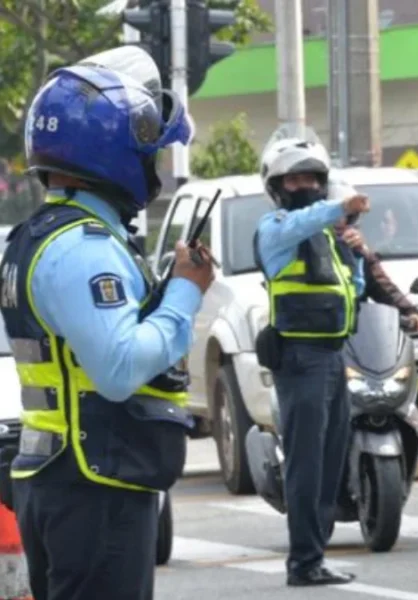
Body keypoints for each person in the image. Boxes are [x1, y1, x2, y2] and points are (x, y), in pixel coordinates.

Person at [0, 46, 212, 600]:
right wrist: (185, 294)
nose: (154, 169)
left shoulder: (41, 236)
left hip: (66, 479)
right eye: (148, 155)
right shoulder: (83, 248)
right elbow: (118, 368)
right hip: (95, 486)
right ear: (112, 153)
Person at [253, 137, 370, 587]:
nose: (306, 185)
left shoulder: (328, 236)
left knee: (329, 460)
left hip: (333, 355)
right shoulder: (277, 229)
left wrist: (355, 253)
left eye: (313, 179)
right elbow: (308, 218)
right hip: (300, 359)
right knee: (305, 463)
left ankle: (315, 554)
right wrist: (339, 208)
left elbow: (353, 290)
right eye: (295, 178)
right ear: (278, 186)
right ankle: (302, 561)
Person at [334, 221, 418, 332]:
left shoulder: (360, 254)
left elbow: (382, 285)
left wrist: (409, 312)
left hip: (352, 336)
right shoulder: (314, 243)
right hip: (316, 332)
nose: (352, 235)